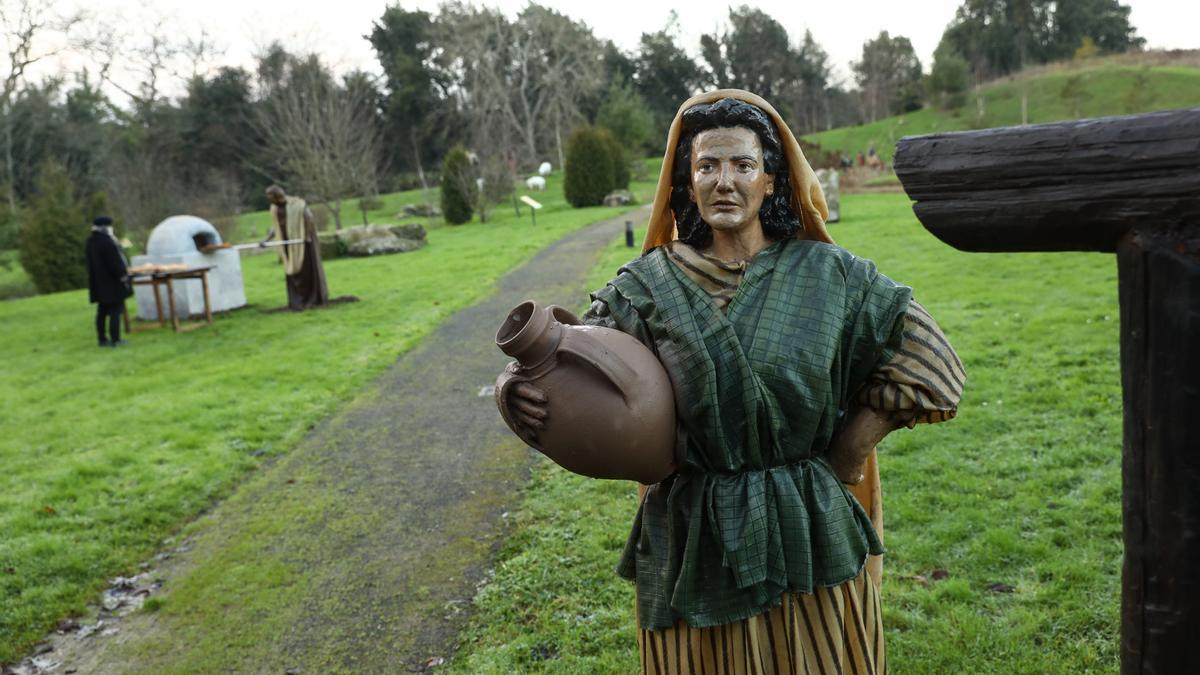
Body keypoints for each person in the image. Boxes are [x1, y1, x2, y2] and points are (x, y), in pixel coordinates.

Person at [504, 90, 964, 673]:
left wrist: (851, 448)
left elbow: (931, 359)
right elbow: (577, 362)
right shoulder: (647, 288)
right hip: (695, 533)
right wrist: (514, 387)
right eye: (707, 166)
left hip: (807, 520)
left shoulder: (831, 275)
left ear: (771, 180)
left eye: (743, 165)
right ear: (686, 183)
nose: (725, 181)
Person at [261, 185, 329, 310]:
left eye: (270, 196)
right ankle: (297, 301)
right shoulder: (275, 209)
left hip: (303, 243)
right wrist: (266, 240)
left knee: (306, 271)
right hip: (288, 244)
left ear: (277, 196)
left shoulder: (297, 205)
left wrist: (307, 236)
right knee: (292, 271)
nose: (268, 199)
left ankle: (311, 299)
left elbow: (309, 218)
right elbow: (276, 227)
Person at [85, 215, 132, 347]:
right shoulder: (107, 242)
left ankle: (102, 339)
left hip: (98, 283)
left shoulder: (90, 242)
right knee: (115, 311)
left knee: (102, 312)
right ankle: (115, 339)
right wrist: (124, 276)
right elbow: (115, 263)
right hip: (112, 283)